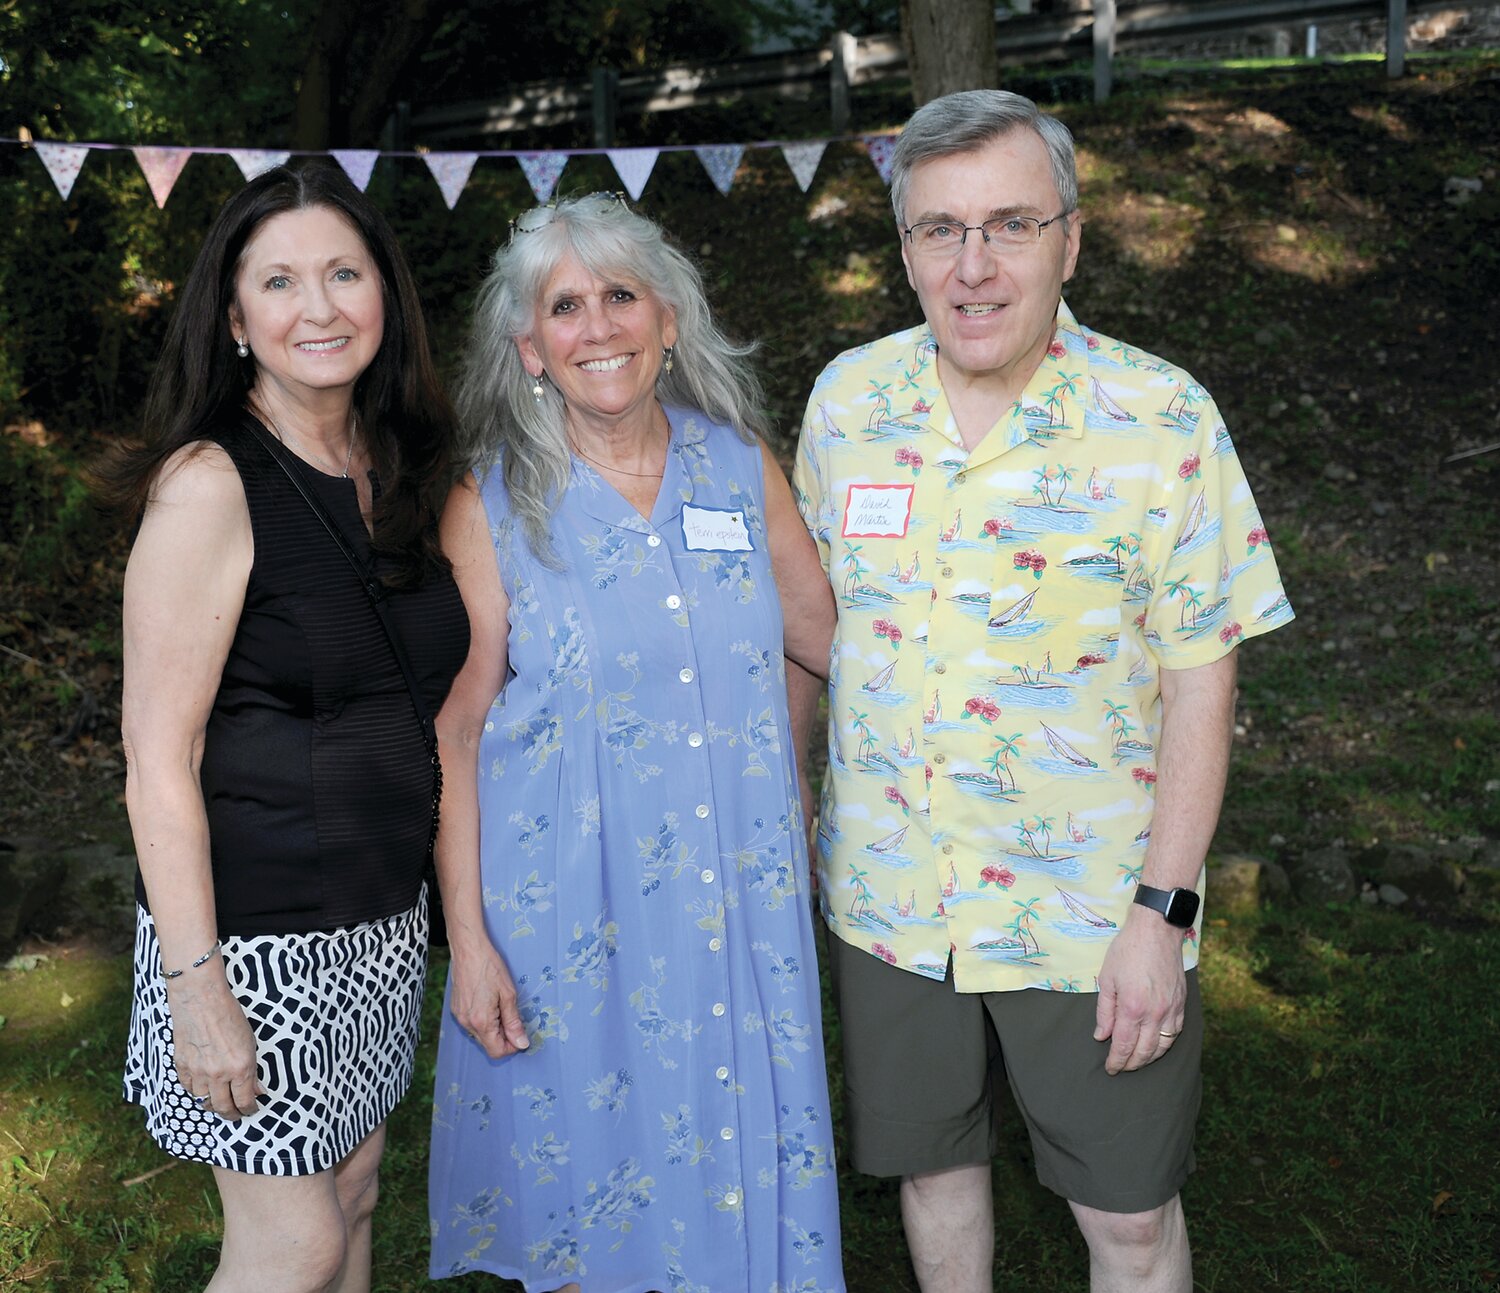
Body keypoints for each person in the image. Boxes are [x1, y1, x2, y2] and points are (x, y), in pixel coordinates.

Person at [793, 90, 1294, 1291]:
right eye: (939, 229)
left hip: (1091, 910)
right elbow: (812, 644)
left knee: (1125, 1216)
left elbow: (1202, 682)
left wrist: (1161, 915)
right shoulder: (847, 405)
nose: (973, 266)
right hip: (890, 897)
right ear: (903, 246)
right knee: (934, 1175)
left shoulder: (1161, 418)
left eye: (1010, 225)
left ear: (1072, 238)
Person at [426, 192, 845, 1292]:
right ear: (530, 347)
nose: (598, 326)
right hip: (565, 905)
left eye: (621, 296)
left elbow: (820, 644)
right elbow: (457, 730)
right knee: (593, 1184)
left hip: (734, 894)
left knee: (735, 1157)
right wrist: (467, 941)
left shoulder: (741, 468)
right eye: (567, 305)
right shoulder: (492, 504)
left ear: (670, 321)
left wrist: (791, 790)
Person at [106, 162, 468, 1292]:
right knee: (296, 1242)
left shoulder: (396, 466)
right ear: (236, 317)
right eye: (280, 281)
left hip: (377, 923)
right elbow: (155, 760)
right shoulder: (212, 483)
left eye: (343, 273)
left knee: (354, 1201)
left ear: (385, 296)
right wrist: (195, 984)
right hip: (251, 939)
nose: (318, 308)